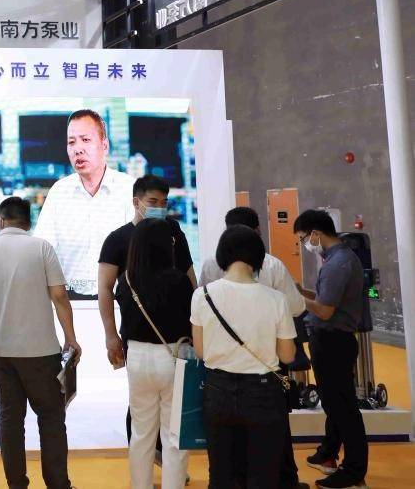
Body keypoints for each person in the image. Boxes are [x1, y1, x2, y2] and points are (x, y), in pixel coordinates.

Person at [0, 196, 77, 489]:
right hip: (42, 353)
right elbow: (59, 296)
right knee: (51, 419)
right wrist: (71, 337)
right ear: (28, 222)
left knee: (10, 420)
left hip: (1, 353)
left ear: (1, 220)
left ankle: (16, 484)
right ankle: (58, 484)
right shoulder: (42, 248)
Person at [201, 206, 308, 489]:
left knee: (222, 468)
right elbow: (289, 347)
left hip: (218, 384)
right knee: (265, 464)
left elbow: (201, 349)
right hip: (264, 380)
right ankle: (287, 480)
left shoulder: (204, 289)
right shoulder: (274, 285)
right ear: (258, 235)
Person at [294, 210, 370, 489]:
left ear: (316, 233)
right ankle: (328, 453)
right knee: (336, 403)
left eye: (303, 238)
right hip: (332, 339)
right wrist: (303, 292)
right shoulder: (338, 259)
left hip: (333, 341)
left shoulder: (338, 263)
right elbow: (327, 299)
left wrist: (296, 300)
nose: (305, 244)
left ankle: (354, 470)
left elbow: (325, 311)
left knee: (343, 407)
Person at [115, 218, 193, 489]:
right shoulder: (179, 281)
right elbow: (189, 321)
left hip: (137, 357)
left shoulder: (125, 281)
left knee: (141, 432)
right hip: (172, 356)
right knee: (174, 434)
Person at [33, 109, 137, 296]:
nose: (78, 149)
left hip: (120, 302)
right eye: (71, 142)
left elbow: (144, 253)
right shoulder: (59, 192)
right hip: (71, 301)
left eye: (86, 140)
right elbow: (41, 251)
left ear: (104, 145)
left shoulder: (129, 189)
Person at [98, 175, 197, 370]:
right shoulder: (117, 239)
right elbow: (105, 288)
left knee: (179, 387)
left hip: (177, 334)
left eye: (164, 202)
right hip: (136, 333)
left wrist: (197, 325)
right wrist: (110, 335)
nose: (160, 208)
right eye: (153, 202)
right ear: (136, 202)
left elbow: (189, 274)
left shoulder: (174, 231)